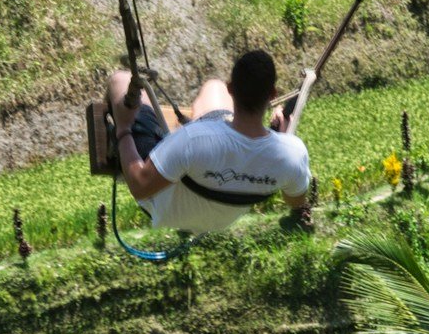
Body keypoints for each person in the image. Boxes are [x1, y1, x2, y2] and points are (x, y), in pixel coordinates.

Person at [108, 50, 311, 235]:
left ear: (232, 89)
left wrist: (124, 130)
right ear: (273, 94)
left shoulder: (193, 140)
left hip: (163, 207)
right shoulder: (291, 153)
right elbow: (295, 200)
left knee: (121, 79)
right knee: (214, 86)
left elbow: (141, 186)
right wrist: (283, 137)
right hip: (219, 219)